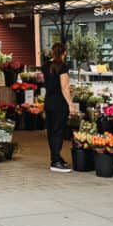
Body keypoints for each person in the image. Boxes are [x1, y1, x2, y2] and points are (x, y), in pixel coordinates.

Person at [41, 42, 75, 173]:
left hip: (49, 102)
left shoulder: (45, 66)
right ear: (64, 53)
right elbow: (65, 88)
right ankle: (55, 162)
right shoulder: (63, 66)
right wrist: (71, 105)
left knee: (51, 132)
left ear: (52, 52)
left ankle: (56, 157)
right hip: (60, 103)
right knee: (58, 132)